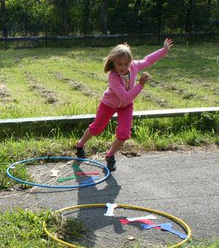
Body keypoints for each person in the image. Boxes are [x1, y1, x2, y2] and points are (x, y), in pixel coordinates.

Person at [75, 38, 174, 171]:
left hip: (126, 106)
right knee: (96, 128)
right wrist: (140, 85)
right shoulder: (113, 77)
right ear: (113, 63)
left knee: (124, 133)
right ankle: (80, 145)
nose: (123, 67)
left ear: (130, 62)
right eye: (119, 64)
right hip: (109, 104)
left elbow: (148, 60)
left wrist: (164, 50)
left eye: (126, 63)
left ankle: (110, 155)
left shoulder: (133, 66)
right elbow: (125, 97)